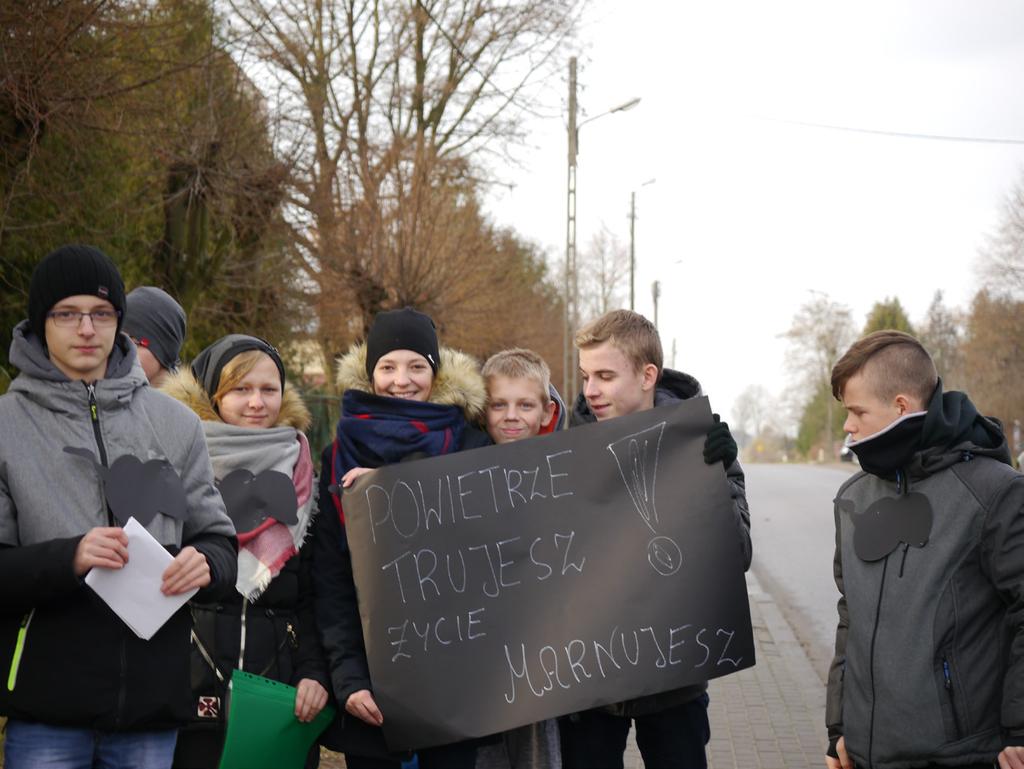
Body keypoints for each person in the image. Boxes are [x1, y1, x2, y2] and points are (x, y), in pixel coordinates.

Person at [0, 244, 237, 769]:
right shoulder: (4, 427)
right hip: (47, 711)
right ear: (41, 322)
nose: (86, 328)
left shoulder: (177, 424)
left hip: (150, 711)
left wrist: (208, 562)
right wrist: (70, 557)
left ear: (118, 322)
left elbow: (220, 541)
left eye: (101, 313)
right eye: (68, 313)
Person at [559, 309, 751, 769]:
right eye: (586, 376)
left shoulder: (701, 443)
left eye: (605, 375)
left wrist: (716, 477)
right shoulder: (561, 449)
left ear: (648, 375)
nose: (590, 390)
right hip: (589, 684)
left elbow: (738, 555)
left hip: (674, 677)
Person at [825, 330, 1024, 769]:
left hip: (959, 754)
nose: (847, 426)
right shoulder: (853, 497)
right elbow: (849, 617)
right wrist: (839, 730)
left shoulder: (994, 492)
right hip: (863, 754)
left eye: (857, 411)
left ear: (900, 406)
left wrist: (1020, 729)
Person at [312, 307, 490, 769]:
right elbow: (331, 580)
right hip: (372, 688)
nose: (401, 380)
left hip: (453, 687)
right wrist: (349, 679)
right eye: (387, 367)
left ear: (435, 371)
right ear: (371, 374)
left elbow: (488, 547)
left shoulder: (471, 445)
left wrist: (397, 491)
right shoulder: (337, 455)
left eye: (416, 366)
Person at [161, 334, 330, 768]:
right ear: (214, 395)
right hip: (185, 693)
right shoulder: (176, 460)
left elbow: (317, 591)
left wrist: (314, 672)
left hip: (276, 700)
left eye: (268, 389)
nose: (256, 402)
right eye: (241, 389)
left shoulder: (304, 470)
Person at [476, 348, 563, 769]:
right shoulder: (454, 473)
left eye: (525, 405)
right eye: (499, 404)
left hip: (542, 670)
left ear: (546, 411)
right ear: (482, 409)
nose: (511, 416)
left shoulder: (568, 470)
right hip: (475, 663)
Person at [123, 286, 187, 387]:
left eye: (135, 342)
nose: (121, 353)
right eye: (118, 341)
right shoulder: (100, 396)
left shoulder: (181, 402)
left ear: (164, 350)